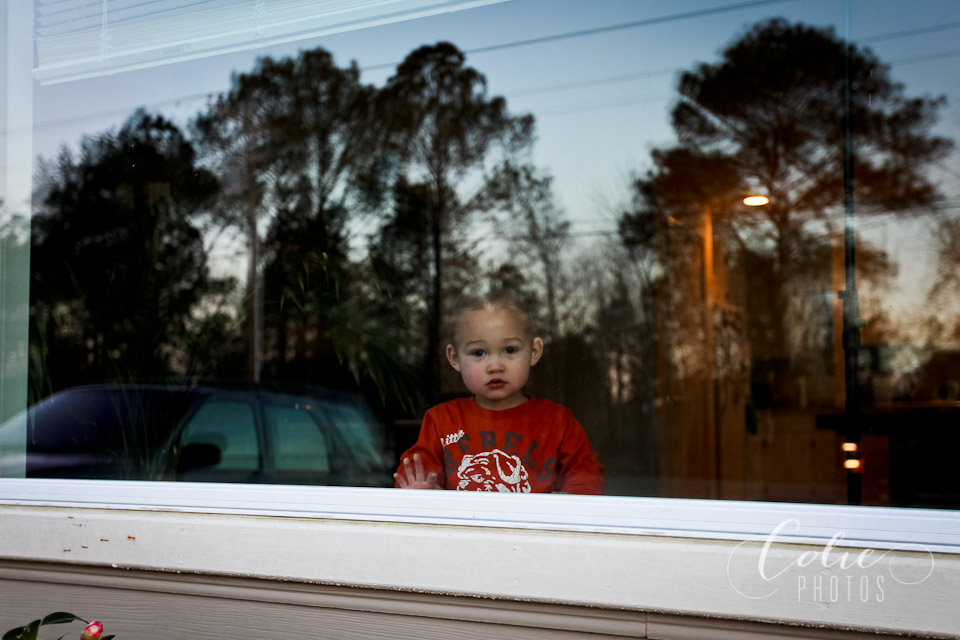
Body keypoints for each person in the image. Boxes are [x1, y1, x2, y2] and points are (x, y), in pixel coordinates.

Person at [394, 294, 603, 494]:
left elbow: (586, 477)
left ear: (534, 352)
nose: (495, 366)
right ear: (455, 358)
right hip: (463, 529)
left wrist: (569, 502)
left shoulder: (558, 422)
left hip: (529, 530)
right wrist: (420, 490)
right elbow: (413, 472)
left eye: (510, 350)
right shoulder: (441, 420)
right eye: (479, 352)